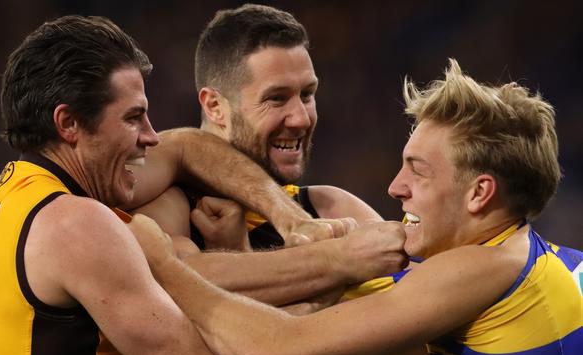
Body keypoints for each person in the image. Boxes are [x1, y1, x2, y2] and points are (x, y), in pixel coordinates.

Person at [0, 15, 367, 355]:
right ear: (68, 124)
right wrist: (323, 292)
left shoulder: (16, 196)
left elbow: (184, 147)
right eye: (133, 118)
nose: (151, 137)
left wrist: (288, 219)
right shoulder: (77, 224)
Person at [129, 59, 583, 355]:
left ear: (480, 193)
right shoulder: (508, 256)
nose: (395, 187)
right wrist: (238, 247)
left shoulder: (484, 267)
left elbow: (274, 348)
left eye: (417, 172)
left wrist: (164, 265)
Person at [127, 3, 397, 309]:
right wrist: (334, 264)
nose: (301, 118)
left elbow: (413, 315)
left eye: (307, 95)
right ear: (215, 106)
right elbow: (173, 284)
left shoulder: (331, 208)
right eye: (276, 98)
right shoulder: (169, 205)